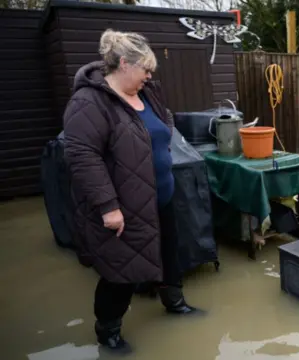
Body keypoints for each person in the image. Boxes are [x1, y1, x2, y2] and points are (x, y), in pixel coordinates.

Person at [63, 29, 204, 355]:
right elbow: (82, 157)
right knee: (121, 271)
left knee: (170, 253)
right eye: (146, 69)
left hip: (162, 196)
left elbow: (163, 120)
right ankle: (108, 332)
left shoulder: (149, 91)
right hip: (123, 207)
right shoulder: (89, 101)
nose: (151, 75)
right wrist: (108, 206)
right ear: (124, 64)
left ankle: (175, 303)